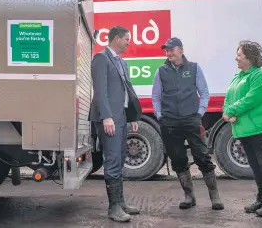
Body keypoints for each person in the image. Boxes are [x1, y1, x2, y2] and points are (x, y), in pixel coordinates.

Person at [152, 37, 224, 211]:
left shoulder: (194, 68)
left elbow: (204, 93)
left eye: (171, 49)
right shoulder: (161, 71)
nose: (168, 52)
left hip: (191, 119)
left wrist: (199, 113)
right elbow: (155, 96)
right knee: (178, 159)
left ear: (181, 50)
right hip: (169, 122)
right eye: (166, 50)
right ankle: (189, 196)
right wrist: (160, 116)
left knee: (202, 156)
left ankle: (214, 196)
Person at [222, 40, 262, 217]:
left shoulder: (260, 77)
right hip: (244, 129)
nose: (236, 58)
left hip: (260, 128)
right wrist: (226, 111)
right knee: (256, 166)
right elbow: (228, 98)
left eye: (239, 55)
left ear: (249, 57)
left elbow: (250, 99)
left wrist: (231, 111)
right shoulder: (238, 77)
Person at [89, 26, 142, 222]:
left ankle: (120, 202)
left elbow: (127, 92)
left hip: (120, 117)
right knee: (112, 160)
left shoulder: (122, 62)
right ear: (116, 38)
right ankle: (113, 208)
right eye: (127, 39)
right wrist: (107, 117)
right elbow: (100, 90)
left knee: (119, 159)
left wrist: (132, 117)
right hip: (109, 118)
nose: (129, 42)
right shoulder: (101, 59)